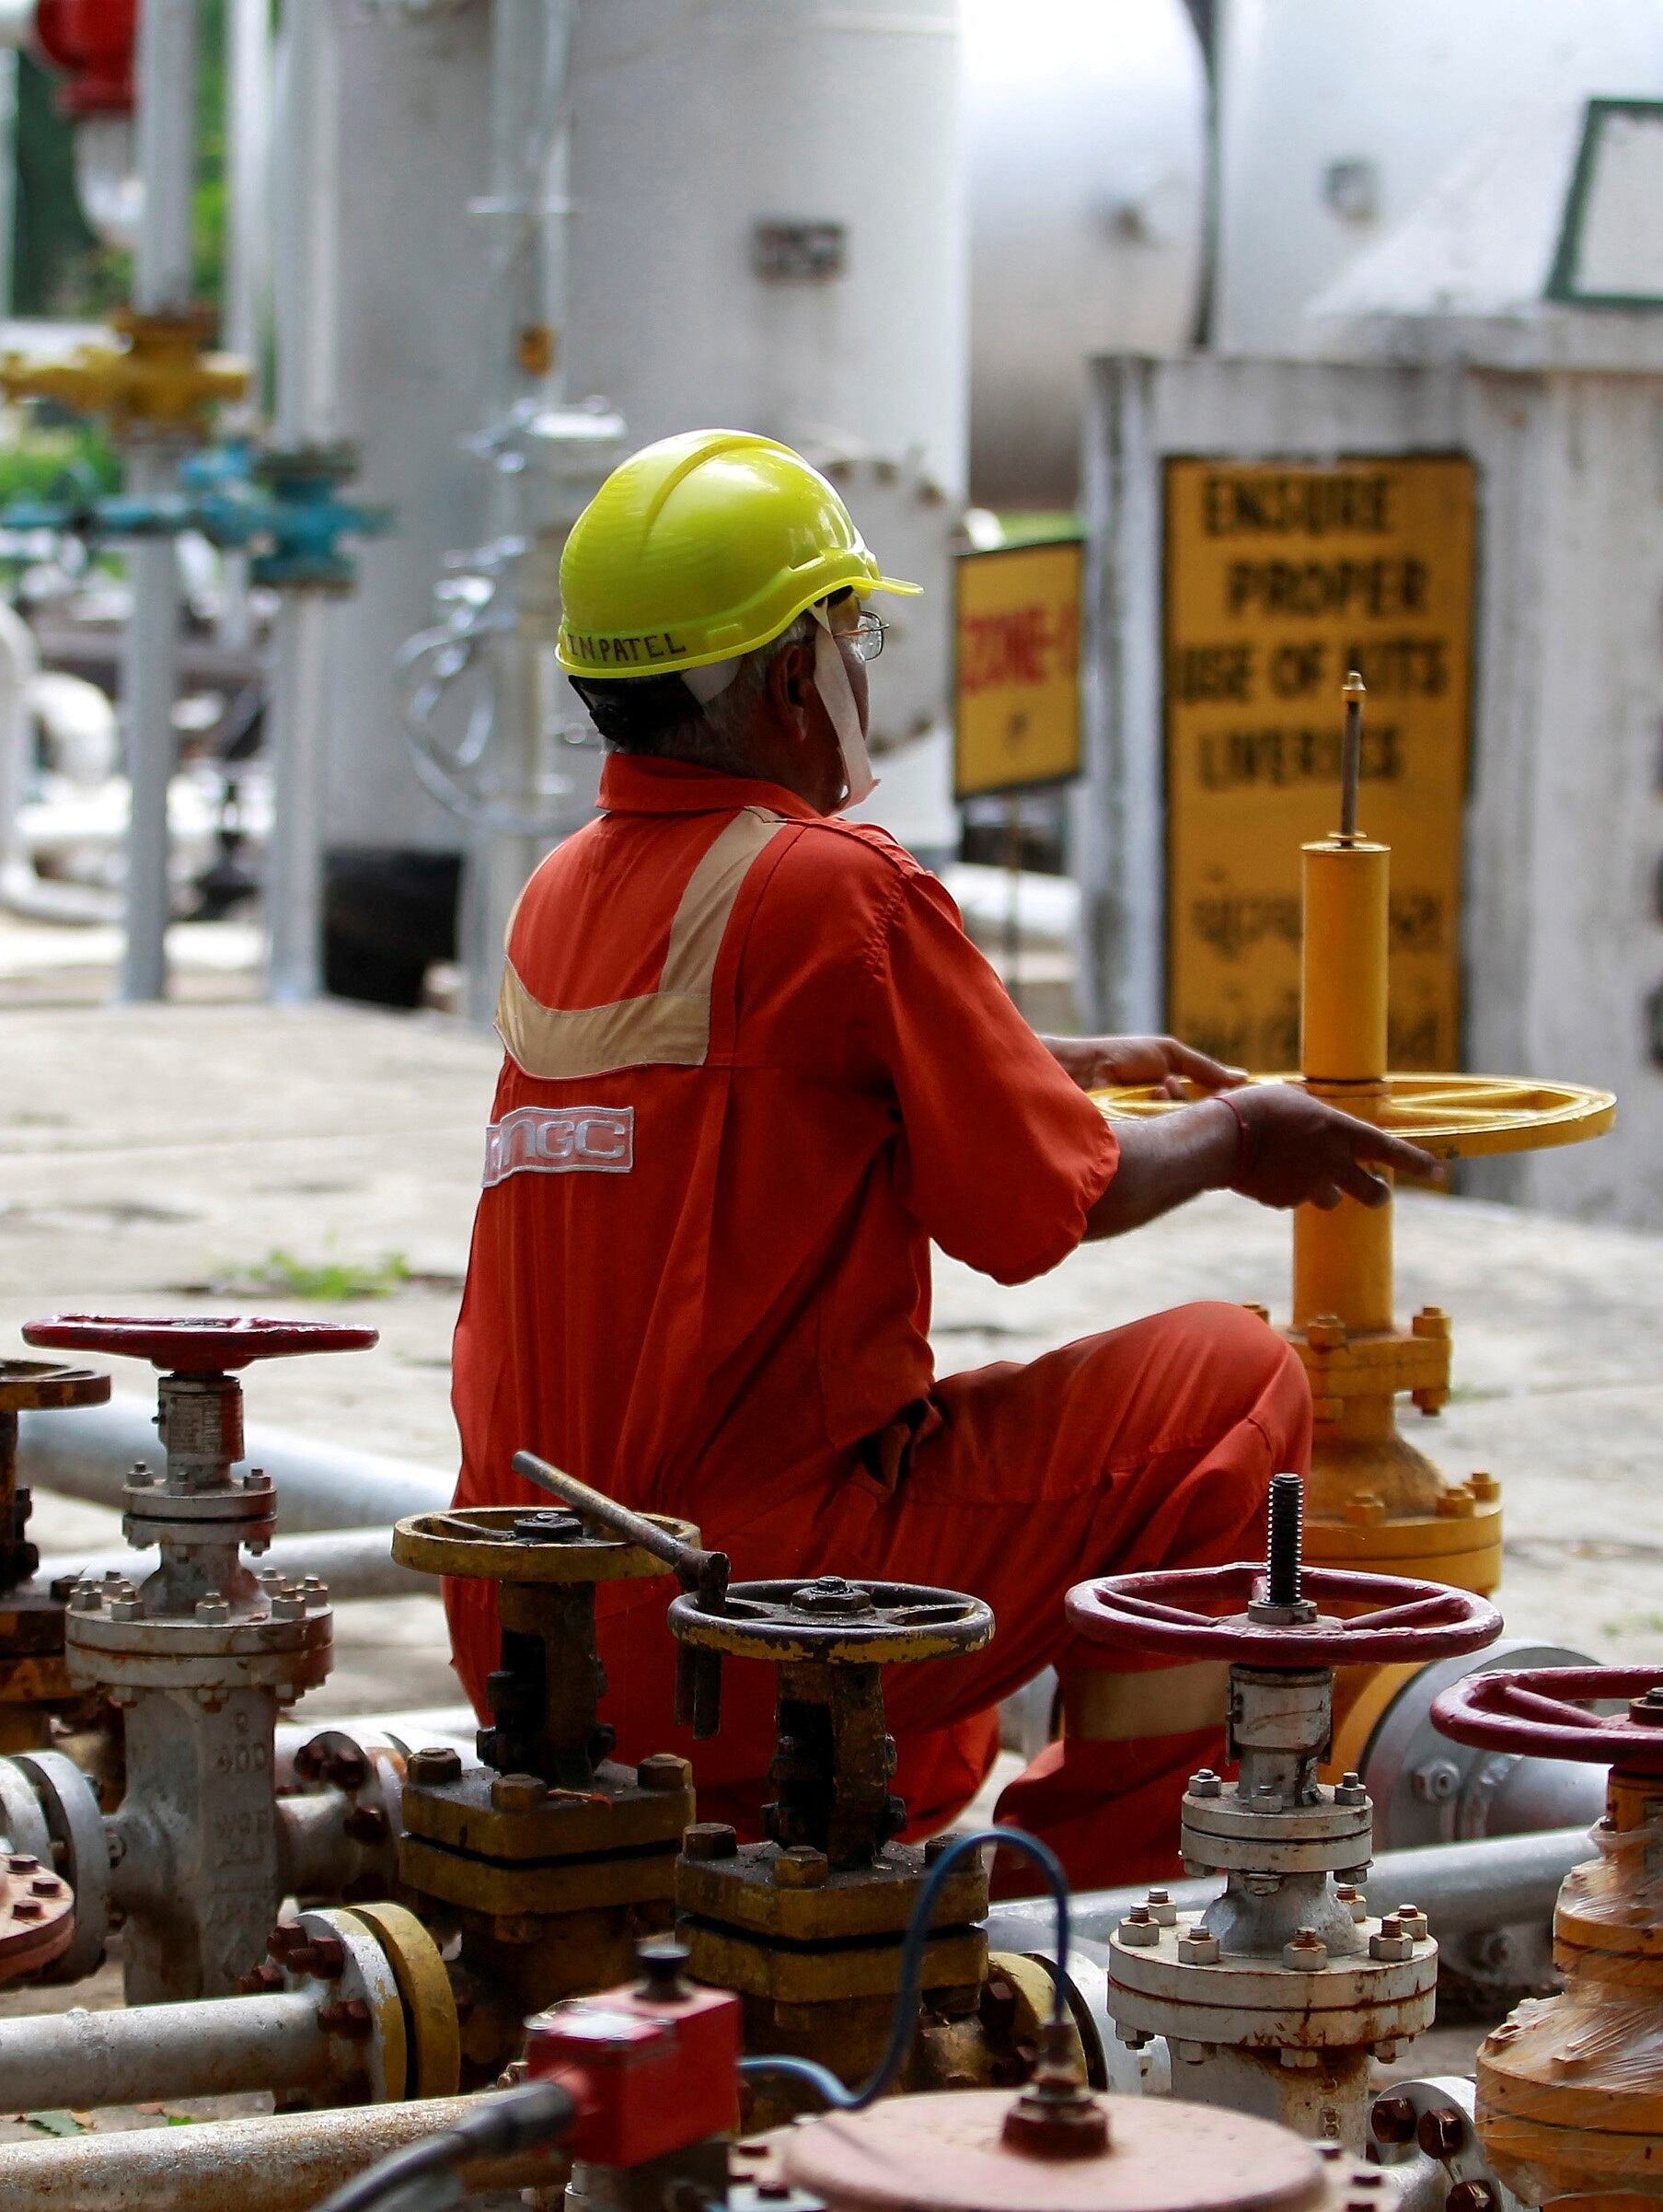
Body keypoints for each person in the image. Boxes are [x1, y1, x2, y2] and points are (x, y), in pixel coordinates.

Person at [443, 429, 1433, 1887]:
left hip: (542, 1631)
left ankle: (808, 1854)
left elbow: (761, 1104)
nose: (862, 669)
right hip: (755, 1615)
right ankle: (1091, 1902)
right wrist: (1237, 1136)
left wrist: (1026, 1063)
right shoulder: (835, 885)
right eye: (854, 632)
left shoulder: (563, 894)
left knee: (939, 1665)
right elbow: (1041, 1212)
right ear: (790, 675)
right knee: (1234, 1378)